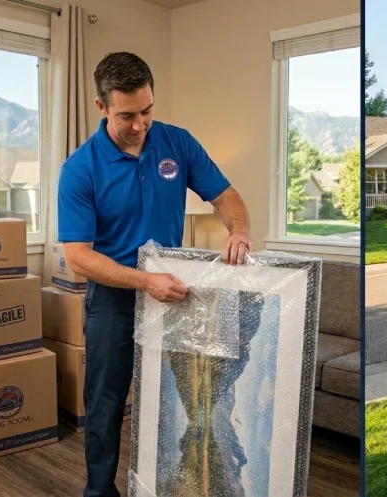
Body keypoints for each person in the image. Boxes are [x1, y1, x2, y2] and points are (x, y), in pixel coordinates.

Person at [57, 52, 253, 497]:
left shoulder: (177, 143)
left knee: (187, 399)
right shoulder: (80, 170)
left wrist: (239, 229)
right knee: (105, 405)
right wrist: (145, 282)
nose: (139, 124)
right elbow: (79, 257)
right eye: (127, 115)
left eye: (147, 111)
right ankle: (100, 491)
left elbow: (226, 196)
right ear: (100, 106)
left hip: (175, 296)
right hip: (114, 301)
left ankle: (182, 483)